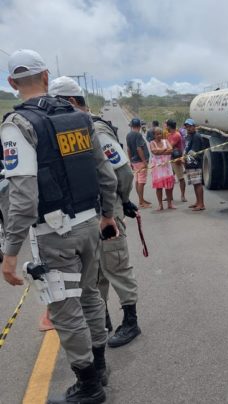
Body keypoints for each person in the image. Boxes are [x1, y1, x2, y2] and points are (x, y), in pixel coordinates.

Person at [1, 49, 118, 403]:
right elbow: (106, 175)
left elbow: (23, 200)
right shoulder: (79, 117)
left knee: (65, 311)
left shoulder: (17, 126)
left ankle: (89, 386)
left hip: (55, 234)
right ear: (47, 77)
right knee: (91, 297)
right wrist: (108, 215)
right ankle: (99, 367)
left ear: (11, 83)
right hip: (89, 226)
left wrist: (9, 253)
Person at [49, 76, 142, 349]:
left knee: (116, 267)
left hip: (106, 213)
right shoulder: (73, 128)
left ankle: (131, 322)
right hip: (88, 215)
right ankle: (101, 321)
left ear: (72, 102)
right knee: (95, 274)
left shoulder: (96, 130)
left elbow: (123, 171)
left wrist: (120, 201)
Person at [126, 118, 151, 208]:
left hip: (134, 161)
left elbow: (128, 149)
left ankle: (141, 199)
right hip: (140, 161)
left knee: (138, 180)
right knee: (142, 181)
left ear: (132, 126)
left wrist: (131, 161)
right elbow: (139, 148)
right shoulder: (138, 135)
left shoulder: (128, 135)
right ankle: (141, 201)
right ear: (139, 126)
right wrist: (144, 162)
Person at [149, 127, 175, 210]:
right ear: (154, 135)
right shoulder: (152, 143)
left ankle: (170, 203)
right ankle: (160, 205)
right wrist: (165, 149)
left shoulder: (165, 141)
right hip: (158, 168)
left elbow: (171, 150)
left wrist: (160, 151)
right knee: (159, 187)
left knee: (169, 186)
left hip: (167, 167)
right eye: (157, 134)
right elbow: (154, 152)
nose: (159, 136)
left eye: (160, 134)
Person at [184, 118, 205, 211]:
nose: (188, 128)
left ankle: (201, 204)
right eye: (187, 127)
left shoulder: (196, 136)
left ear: (194, 126)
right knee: (195, 184)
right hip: (190, 164)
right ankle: (197, 202)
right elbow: (187, 149)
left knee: (198, 183)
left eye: (190, 126)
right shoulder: (189, 136)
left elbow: (193, 152)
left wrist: (184, 159)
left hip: (195, 164)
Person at [166, 119, 187, 202]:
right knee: (171, 178)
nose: (166, 127)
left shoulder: (176, 135)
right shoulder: (170, 135)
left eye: (166, 125)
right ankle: (170, 196)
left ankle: (183, 196)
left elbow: (170, 146)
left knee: (180, 178)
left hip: (176, 159)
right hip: (171, 158)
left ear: (169, 126)